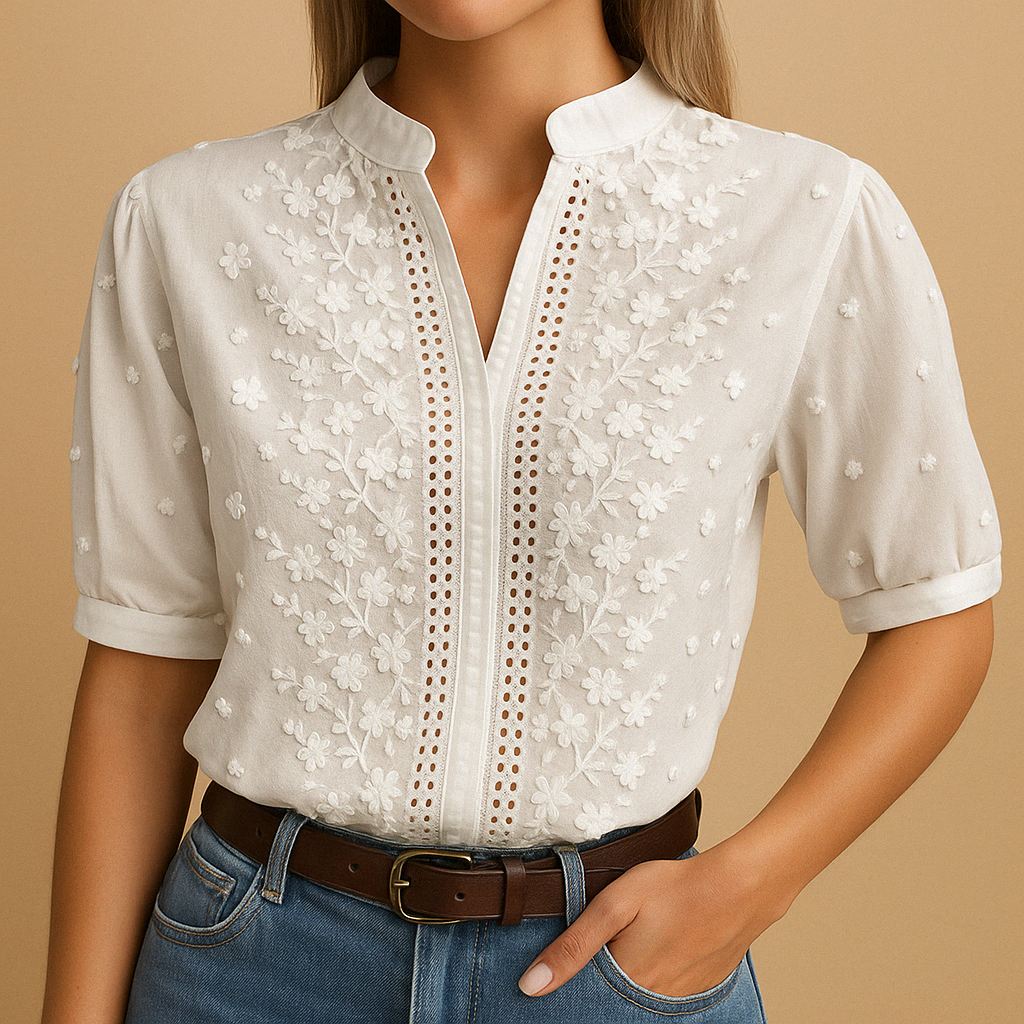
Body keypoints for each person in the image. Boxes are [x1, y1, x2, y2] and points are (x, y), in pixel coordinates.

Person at [43, 1, 1002, 1022]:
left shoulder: (803, 212)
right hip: (250, 968)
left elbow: (936, 605)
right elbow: (143, 668)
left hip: (613, 975)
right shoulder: (188, 220)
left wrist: (747, 885)